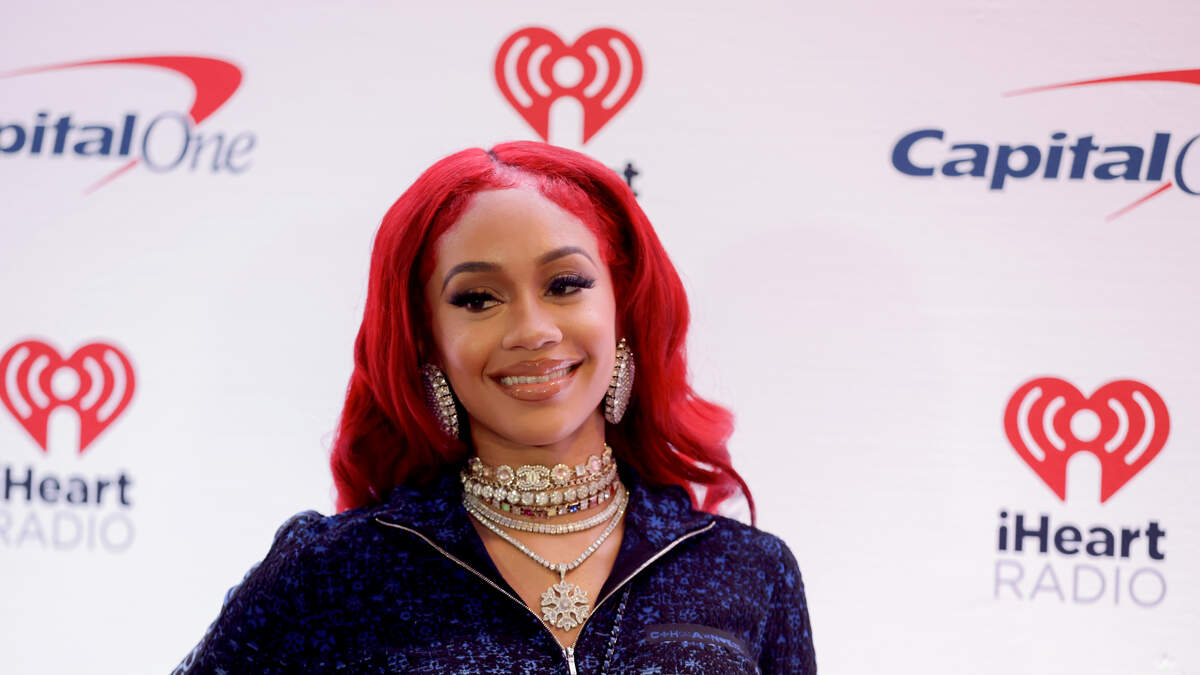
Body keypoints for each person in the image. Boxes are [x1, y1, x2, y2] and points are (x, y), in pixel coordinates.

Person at [176, 141, 816, 674]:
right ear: (427, 339)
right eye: (478, 299)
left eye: (565, 285)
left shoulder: (748, 569)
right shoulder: (335, 570)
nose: (532, 331)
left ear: (623, 308)